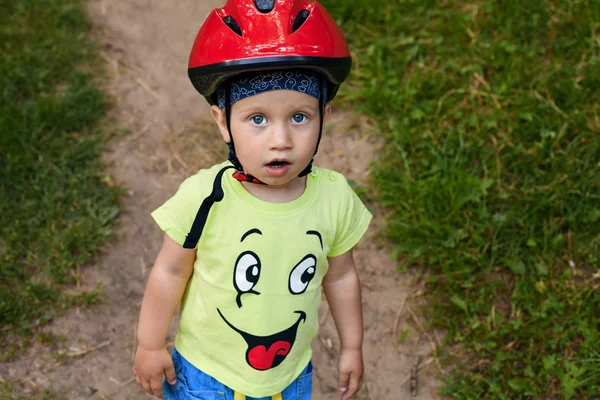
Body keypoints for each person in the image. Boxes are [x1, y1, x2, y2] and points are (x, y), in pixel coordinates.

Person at [133, 1, 372, 399]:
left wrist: (352, 346)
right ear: (222, 121)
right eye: (257, 119)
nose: (280, 139)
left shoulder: (334, 198)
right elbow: (170, 272)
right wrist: (150, 344)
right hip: (206, 375)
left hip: (291, 375)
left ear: (324, 117)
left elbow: (342, 275)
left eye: (299, 117)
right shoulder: (205, 197)